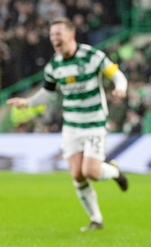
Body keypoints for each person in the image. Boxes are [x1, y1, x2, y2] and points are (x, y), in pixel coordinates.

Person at [7, 17, 129, 232]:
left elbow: (117, 75)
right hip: (72, 125)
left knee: (91, 171)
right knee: (77, 175)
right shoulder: (54, 64)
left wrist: (120, 87)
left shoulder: (91, 56)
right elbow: (48, 92)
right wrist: (28, 102)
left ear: (71, 35)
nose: (54, 38)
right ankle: (96, 220)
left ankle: (115, 172)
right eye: (52, 35)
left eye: (58, 34)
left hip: (94, 122)